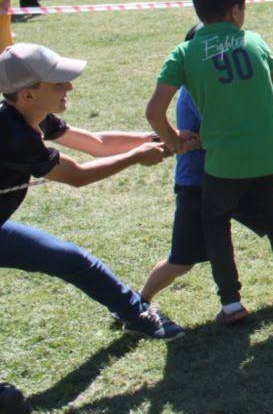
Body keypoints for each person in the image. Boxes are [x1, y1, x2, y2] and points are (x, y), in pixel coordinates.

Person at [146, 0, 273, 324]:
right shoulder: (255, 41)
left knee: (216, 223)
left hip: (224, 162)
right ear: (236, 10)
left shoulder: (184, 53)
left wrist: (173, 141)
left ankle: (231, 304)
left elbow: (153, 111)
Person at [1, 43, 185, 346]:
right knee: (66, 257)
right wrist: (137, 156)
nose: (69, 86)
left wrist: (162, 137)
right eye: (58, 83)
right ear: (28, 94)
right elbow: (77, 176)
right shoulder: (13, 134)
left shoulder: (31, 115)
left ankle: (136, 314)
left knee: (68, 258)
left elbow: (97, 143)